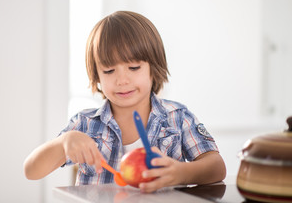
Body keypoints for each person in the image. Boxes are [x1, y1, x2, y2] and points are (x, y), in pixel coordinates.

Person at [23, 11, 226, 193]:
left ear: (154, 68)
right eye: (109, 71)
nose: (122, 80)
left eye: (134, 68)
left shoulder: (177, 117)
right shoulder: (84, 124)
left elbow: (217, 167)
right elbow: (31, 171)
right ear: (97, 76)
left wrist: (182, 173)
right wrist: (63, 142)